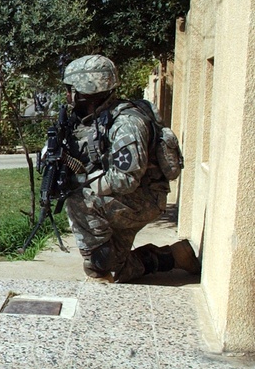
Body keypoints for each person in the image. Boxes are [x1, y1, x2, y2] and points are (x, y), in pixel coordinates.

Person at [61, 54, 201, 283]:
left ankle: (100, 271)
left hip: (144, 198)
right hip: (135, 196)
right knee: (117, 267)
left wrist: (80, 181)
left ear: (86, 89)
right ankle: (175, 256)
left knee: (79, 199)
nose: (68, 95)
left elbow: (124, 180)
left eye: (71, 89)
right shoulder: (101, 117)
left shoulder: (127, 124)